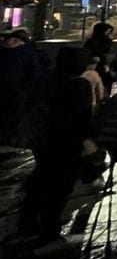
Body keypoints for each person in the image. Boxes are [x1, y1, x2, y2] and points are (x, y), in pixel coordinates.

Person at [17, 48, 95, 243]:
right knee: (59, 187)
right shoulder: (79, 85)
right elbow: (83, 117)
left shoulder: (44, 82)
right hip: (67, 141)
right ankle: (49, 230)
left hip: (42, 138)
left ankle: (27, 222)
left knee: (42, 176)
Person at [0, 29, 40, 145]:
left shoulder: (2, 50)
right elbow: (34, 73)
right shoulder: (28, 52)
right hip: (17, 92)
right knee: (14, 118)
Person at [83, 22, 115, 93]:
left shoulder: (107, 41)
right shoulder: (91, 43)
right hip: (95, 68)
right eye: (107, 31)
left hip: (105, 68)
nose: (109, 33)